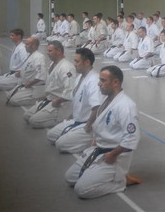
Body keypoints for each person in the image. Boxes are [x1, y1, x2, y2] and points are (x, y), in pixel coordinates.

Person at [65, 65, 140, 199]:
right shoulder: (107, 99)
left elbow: (131, 138)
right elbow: (102, 125)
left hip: (113, 156)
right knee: (70, 178)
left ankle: (121, 181)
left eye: (103, 80)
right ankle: (101, 175)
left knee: (82, 190)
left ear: (115, 82)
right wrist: (95, 139)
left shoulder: (126, 106)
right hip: (98, 149)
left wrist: (113, 154)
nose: (99, 84)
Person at [47, 48, 103, 153]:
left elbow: (97, 108)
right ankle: (74, 136)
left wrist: (88, 126)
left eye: (77, 61)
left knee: (60, 144)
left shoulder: (94, 80)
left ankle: (93, 139)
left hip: (88, 125)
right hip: (76, 121)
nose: (74, 64)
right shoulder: (80, 77)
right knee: (51, 135)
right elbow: (75, 100)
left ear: (87, 62)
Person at [23, 41, 76, 128]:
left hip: (60, 103)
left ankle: (65, 118)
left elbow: (70, 89)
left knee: (33, 121)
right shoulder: (53, 64)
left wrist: (58, 101)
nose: (47, 53)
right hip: (49, 99)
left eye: (50, 51)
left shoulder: (66, 67)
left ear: (59, 51)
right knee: (26, 116)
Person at [6, 37, 48, 106]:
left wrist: (30, 83)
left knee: (13, 101)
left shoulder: (39, 57)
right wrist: (20, 72)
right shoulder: (30, 55)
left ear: (34, 46)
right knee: (8, 96)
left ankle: (38, 99)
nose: (25, 46)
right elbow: (28, 68)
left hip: (34, 86)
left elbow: (41, 75)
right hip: (25, 84)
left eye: (27, 44)